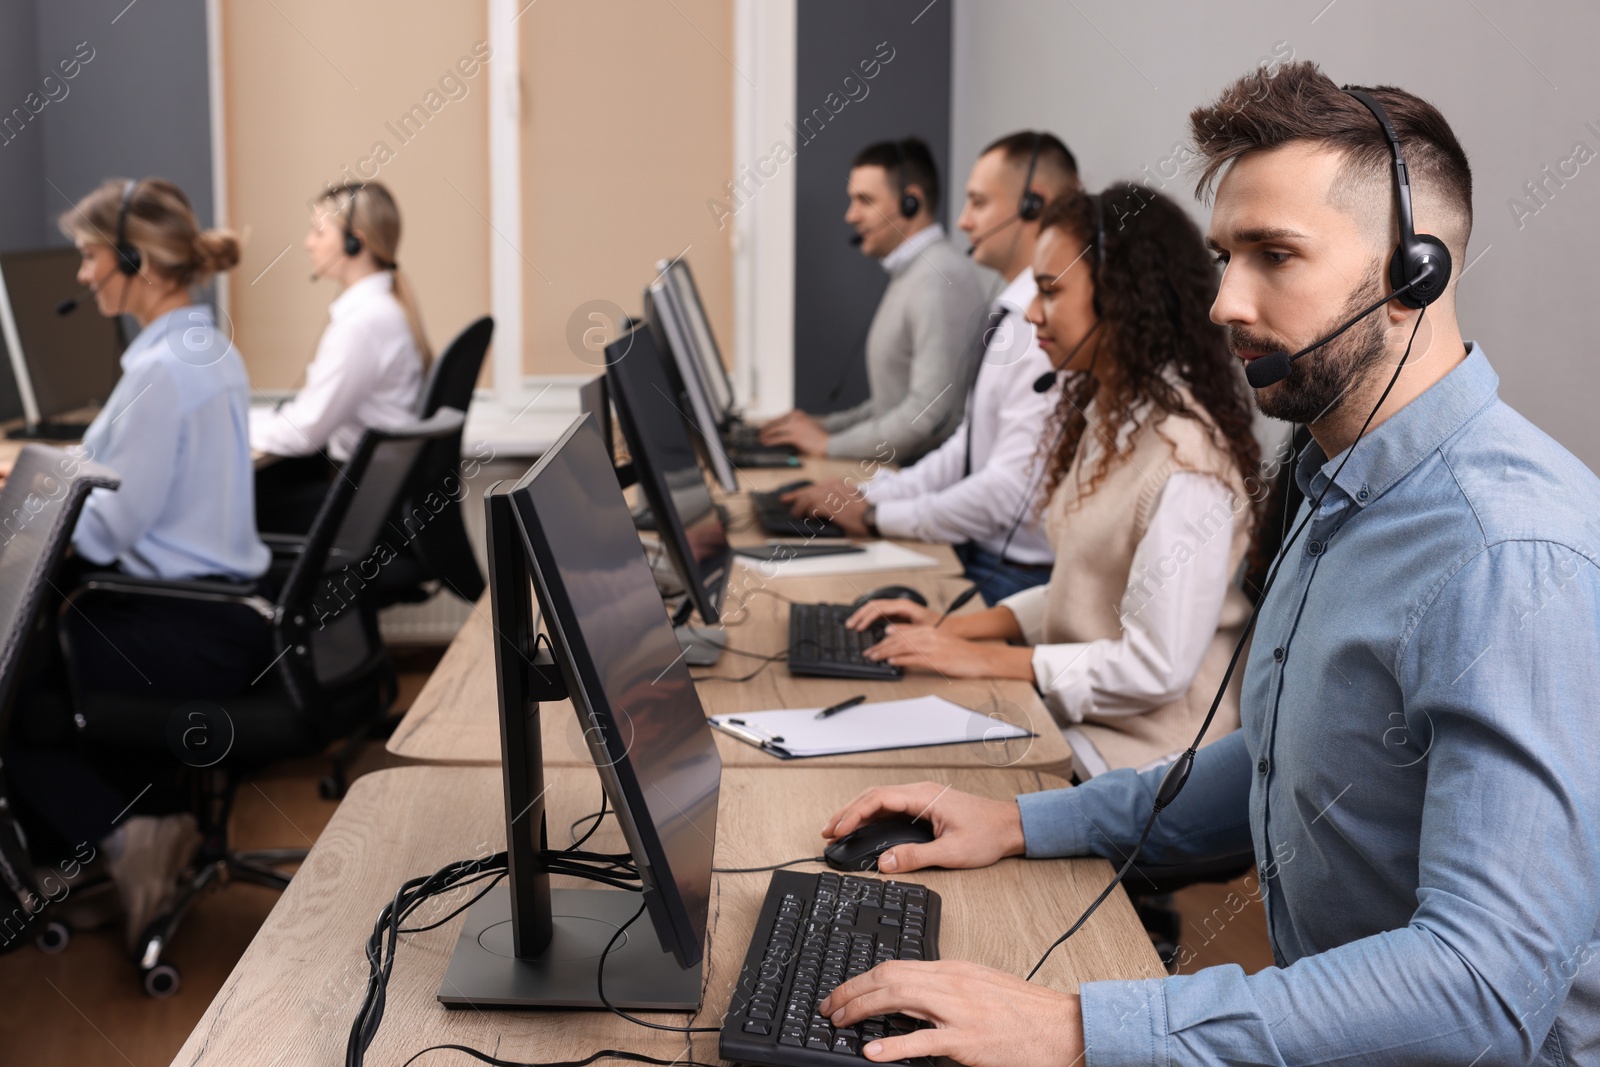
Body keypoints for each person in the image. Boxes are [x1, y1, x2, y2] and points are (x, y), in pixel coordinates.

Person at [812, 63, 1600, 1066]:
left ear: (1415, 272)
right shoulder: (1332, 480)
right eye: (1226, 254)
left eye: (1274, 254)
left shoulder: (1507, 553)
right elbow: (1280, 765)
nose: (1225, 300)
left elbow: (1482, 987)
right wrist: (1020, 821)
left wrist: (1076, 1025)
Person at [847, 184, 1263, 777]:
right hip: (1086, 722)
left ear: (1120, 298)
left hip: (1153, 757)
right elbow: (1085, 587)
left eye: (1050, 291)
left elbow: (1154, 669)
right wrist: (954, 629)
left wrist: (985, 658)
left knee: (925, 774)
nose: (1033, 313)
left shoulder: (1187, 463)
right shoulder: (1109, 416)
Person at [6, 176, 271, 948]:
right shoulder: (201, 344)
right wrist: (66, 462)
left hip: (179, 627)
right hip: (221, 615)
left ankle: (125, 835)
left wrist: (37, 493)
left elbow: (107, 534)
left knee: (17, 688)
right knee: (38, 665)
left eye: (91, 256)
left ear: (137, 260)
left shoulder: (158, 372)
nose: (83, 274)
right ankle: (100, 850)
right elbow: (128, 467)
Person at [782, 131, 1080, 604]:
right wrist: (873, 495)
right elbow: (968, 443)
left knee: (825, 604)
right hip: (981, 548)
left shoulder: (1040, 327)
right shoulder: (1010, 311)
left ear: (1031, 206)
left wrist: (877, 512)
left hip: (1013, 572)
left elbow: (992, 475)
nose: (962, 221)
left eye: (978, 203)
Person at [760, 137, 990, 464]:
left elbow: (929, 415)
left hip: (922, 482)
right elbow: (892, 403)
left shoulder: (937, 279)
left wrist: (829, 446)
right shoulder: (914, 273)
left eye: (865, 200)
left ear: (910, 202)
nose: (851, 216)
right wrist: (825, 427)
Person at [251, 181, 429, 532]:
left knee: (242, 505)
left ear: (354, 243)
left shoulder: (362, 324)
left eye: (318, 232)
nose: (308, 244)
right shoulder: (383, 310)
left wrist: (236, 427)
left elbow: (304, 432)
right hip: (372, 494)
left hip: (357, 503)